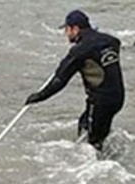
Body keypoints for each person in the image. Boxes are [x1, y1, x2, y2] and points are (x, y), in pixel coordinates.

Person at [23, 10, 125, 151]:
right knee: (85, 124)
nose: (66, 33)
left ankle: (96, 167)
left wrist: (38, 96)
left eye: (67, 29)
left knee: (93, 143)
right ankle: (106, 154)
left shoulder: (80, 51)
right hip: (118, 97)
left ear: (75, 29)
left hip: (100, 102)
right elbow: (110, 46)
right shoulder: (111, 41)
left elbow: (59, 81)